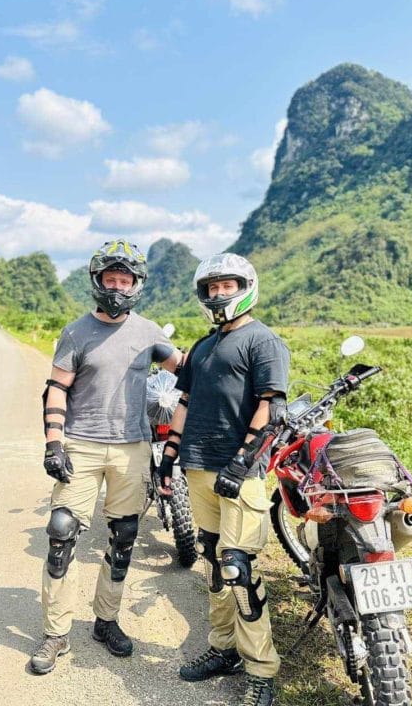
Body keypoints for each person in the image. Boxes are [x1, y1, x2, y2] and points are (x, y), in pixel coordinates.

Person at [30, 239, 183, 675]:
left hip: (131, 447)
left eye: (125, 280)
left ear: (137, 284)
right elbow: (57, 387)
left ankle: (106, 620)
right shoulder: (76, 332)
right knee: (61, 532)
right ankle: (56, 633)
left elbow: (186, 368)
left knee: (124, 536)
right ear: (97, 282)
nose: (118, 287)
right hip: (81, 443)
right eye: (110, 279)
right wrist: (53, 442)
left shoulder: (150, 332)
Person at [157, 253, 289, 706]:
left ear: (245, 287)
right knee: (213, 562)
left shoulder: (263, 341)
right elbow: (186, 401)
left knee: (239, 566)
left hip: (241, 473)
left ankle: (262, 671)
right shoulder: (202, 347)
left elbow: (271, 406)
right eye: (212, 289)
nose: (219, 295)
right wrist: (168, 456)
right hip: (198, 466)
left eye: (227, 287)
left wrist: (241, 461)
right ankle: (223, 648)